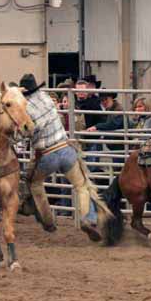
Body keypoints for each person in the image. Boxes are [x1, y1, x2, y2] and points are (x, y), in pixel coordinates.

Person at [18, 74, 103, 239]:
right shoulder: (47, 98)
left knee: (34, 183)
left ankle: (48, 220)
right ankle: (88, 219)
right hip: (65, 148)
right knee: (82, 185)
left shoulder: (25, 108)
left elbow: (26, 131)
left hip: (46, 155)